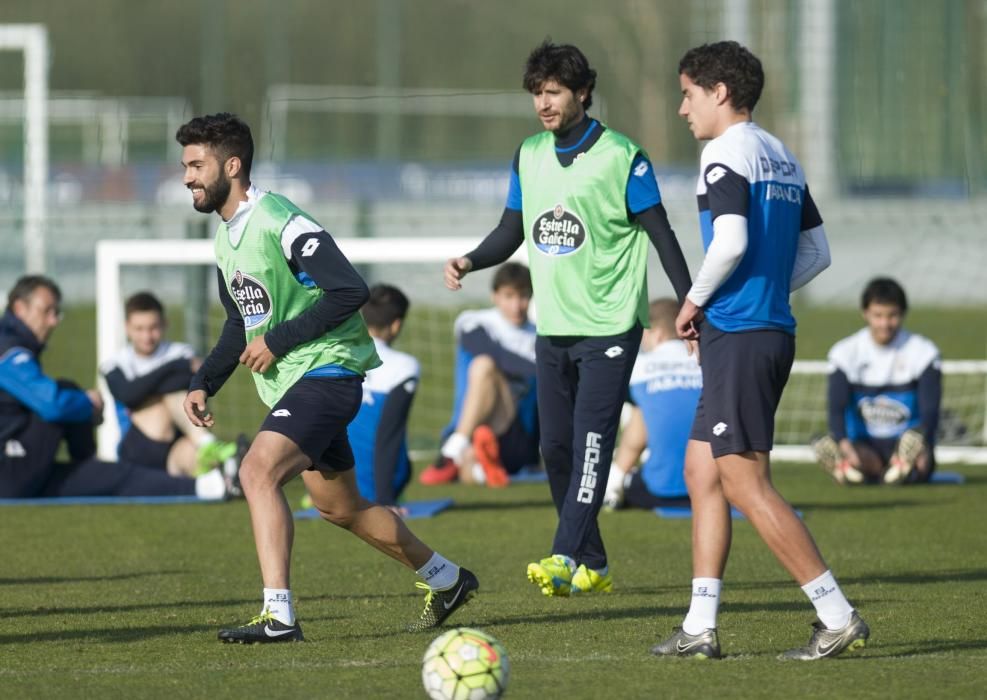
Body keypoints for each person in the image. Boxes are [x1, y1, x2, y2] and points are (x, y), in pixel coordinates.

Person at [176, 112, 477, 644]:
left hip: (328, 371)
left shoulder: (280, 220)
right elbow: (238, 325)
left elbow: (349, 290)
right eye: (185, 167)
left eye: (196, 165)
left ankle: (279, 617)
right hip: (296, 383)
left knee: (256, 473)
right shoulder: (226, 240)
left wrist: (279, 339)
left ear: (232, 165)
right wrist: (204, 380)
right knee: (340, 508)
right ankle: (448, 579)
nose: (187, 178)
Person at [443, 42, 693, 597]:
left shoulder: (625, 157)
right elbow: (512, 231)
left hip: (609, 327)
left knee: (592, 443)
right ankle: (595, 560)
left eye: (553, 92)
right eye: (536, 93)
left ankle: (563, 554)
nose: (543, 104)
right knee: (554, 449)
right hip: (552, 328)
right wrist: (471, 258)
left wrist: (689, 304)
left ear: (582, 92)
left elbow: (662, 234)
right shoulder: (528, 154)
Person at [651, 41, 868, 662]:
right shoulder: (781, 154)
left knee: (746, 482)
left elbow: (730, 240)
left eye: (688, 93)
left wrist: (694, 302)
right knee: (702, 471)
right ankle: (700, 625)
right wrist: (761, 293)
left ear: (719, 92)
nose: (682, 107)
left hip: (740, 335)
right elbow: (817, 253)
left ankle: (836, 614)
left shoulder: (723, 152)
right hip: (763, 329)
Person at [0, 276, 235, 500]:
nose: (54, 320)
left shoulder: (179, 350)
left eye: (56, 312)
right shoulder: (9, 353)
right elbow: (53, 405)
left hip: (22, 473)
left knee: (112, 477)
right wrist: (87, 402)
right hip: (12, 469)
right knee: (67, 392)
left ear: (164, 324)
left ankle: (211, 484)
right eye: (47, 311)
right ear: (20, 309)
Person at [420, 262, 538, 488]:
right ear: (494, 296)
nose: (516, 305)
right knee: (483, 364)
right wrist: (540, 366)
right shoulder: (474, 321)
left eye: (523, 296)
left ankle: (453, 450)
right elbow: (487, 351)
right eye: (509, 296)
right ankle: (476, 462)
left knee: (485, 365)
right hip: (476, 427)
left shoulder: (539, 335)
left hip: (516, 435)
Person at [813, 277, 941, 485]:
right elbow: (836, 407)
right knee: (857, 457)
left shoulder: (924, 352)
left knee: (919, 463)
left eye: (892, 316)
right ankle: (849, 464)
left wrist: (925, 444)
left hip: (909, 441)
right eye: (878, 315)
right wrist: (843, 443)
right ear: (865, 313)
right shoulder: (844, 353)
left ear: (903, 314)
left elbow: (930, 411)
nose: (885, 323)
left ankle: (898, 465)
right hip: (865, 444)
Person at [100, 291, 242, 477]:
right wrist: (175, 367)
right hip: (138, 449)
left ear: (165, 324)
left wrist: (143, 388)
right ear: (127, 328)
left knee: (196, 458)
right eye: (139, 329)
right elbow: (128, 394)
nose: (147, 336)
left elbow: (190, 382)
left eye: (153, 327)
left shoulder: (181, 351)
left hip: (177, 445)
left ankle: (224, 468)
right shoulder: (116, 363)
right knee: (172, 395)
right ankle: (210, 446)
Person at [603, 299, 700, 511]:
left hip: (662, 490)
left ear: (657, 333)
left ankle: (613, 485)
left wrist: (616, 478)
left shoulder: (640, 368)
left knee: (640, 416)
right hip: (716, 489)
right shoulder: (709, 363)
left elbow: (636, 439)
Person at [347, 284, 419, 509]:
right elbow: (389, 434)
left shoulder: (339, 354)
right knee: (402, 461)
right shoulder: (404, 367)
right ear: (396, 324)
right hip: (375, 489)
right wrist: (385, 501)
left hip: (335, 483)